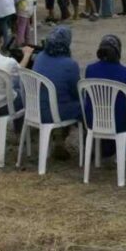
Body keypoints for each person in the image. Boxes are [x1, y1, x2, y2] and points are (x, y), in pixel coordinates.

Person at [84, 34, 126, 158]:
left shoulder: (90, 69)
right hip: (120, 123)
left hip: (95, 120)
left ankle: (104, 148)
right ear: (118, 51)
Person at [31, 26, 81, 159]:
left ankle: (58, 141)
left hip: (34, 109)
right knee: (83, 105)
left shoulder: (40, 57)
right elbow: (76, 93)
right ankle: (90, 148)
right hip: (55, 112)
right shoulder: (70, 65)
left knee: (60, 101)